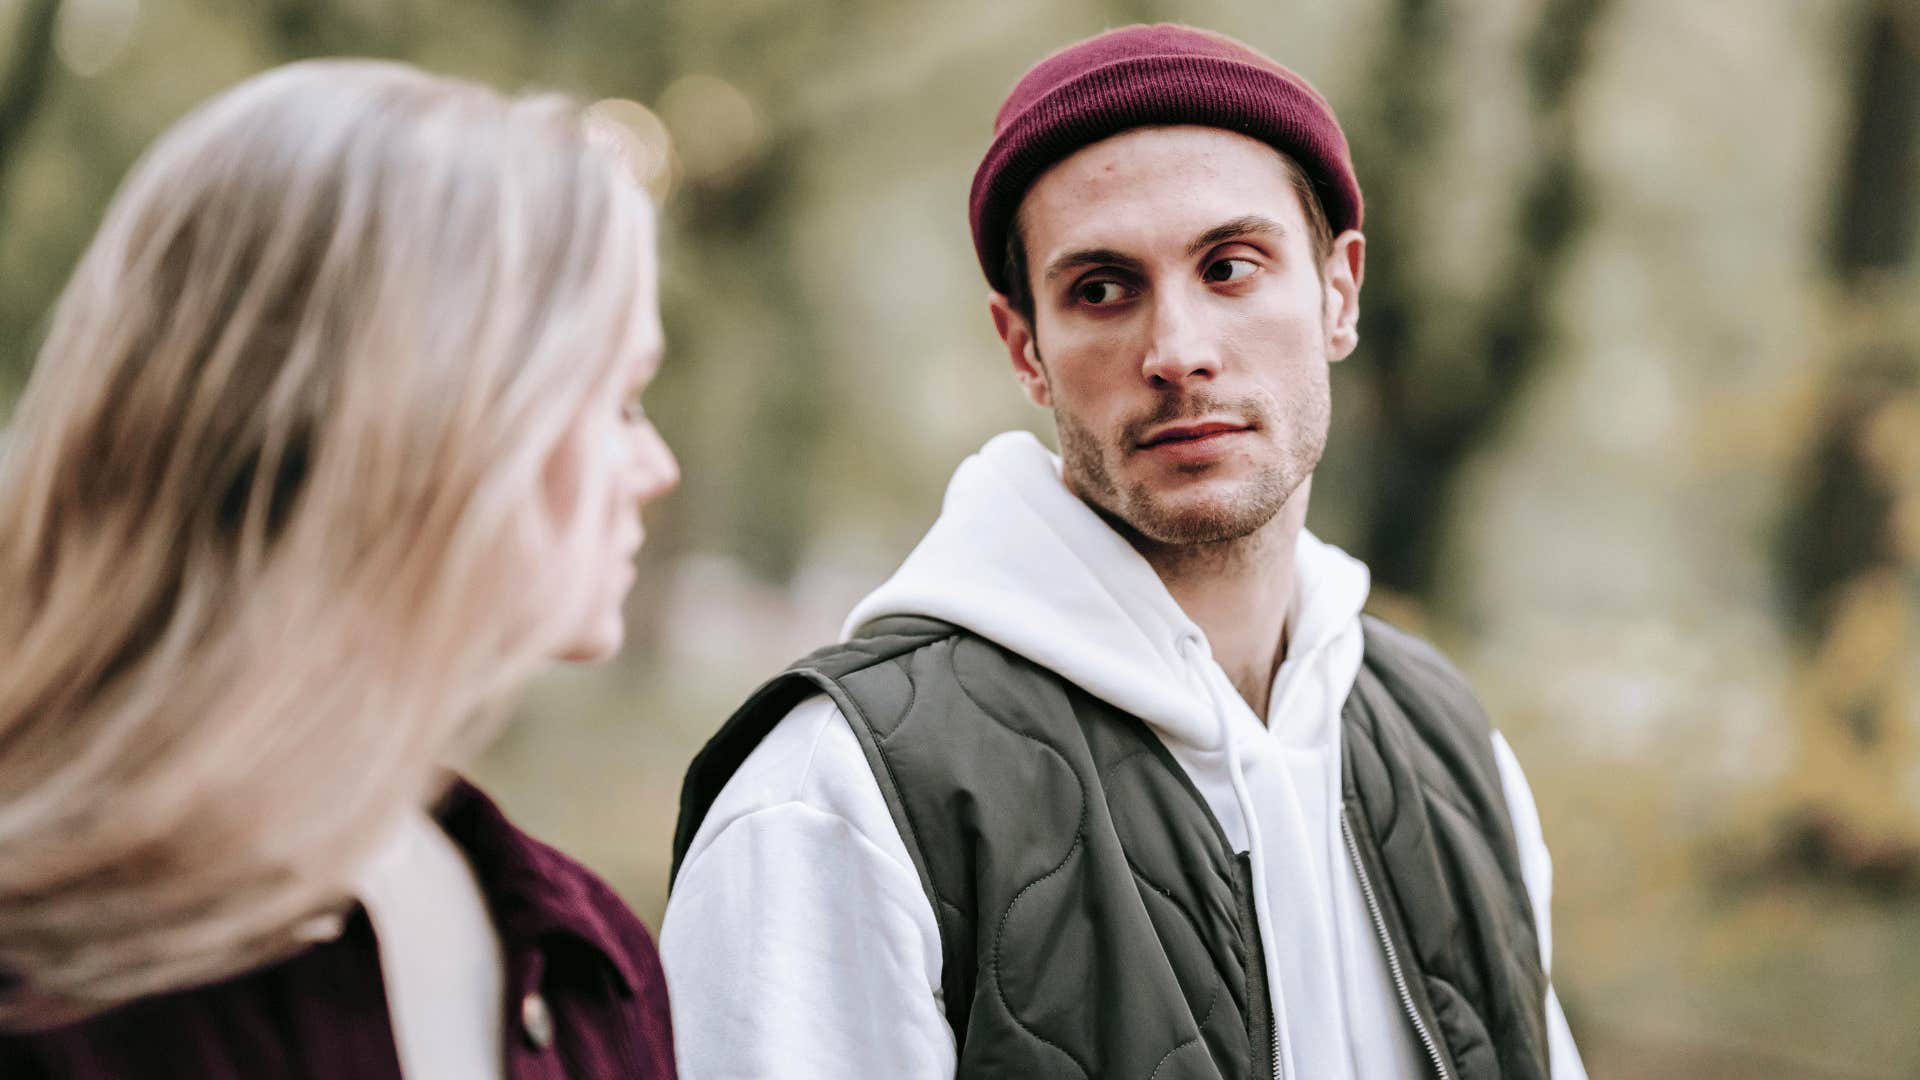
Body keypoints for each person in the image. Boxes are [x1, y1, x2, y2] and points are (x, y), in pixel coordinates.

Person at [665, 23, 1586, 1080]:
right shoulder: (839, 799)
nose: (1178, 353)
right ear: (1026, 349)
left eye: (1231, 267)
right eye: (1102, 289)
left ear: (1339, 292)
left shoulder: (1451, 749)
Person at [0, 60, 679, 1078]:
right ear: (425, 419)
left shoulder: (589, 964)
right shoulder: (50, 990)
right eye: (619, 401)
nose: (658, 467)